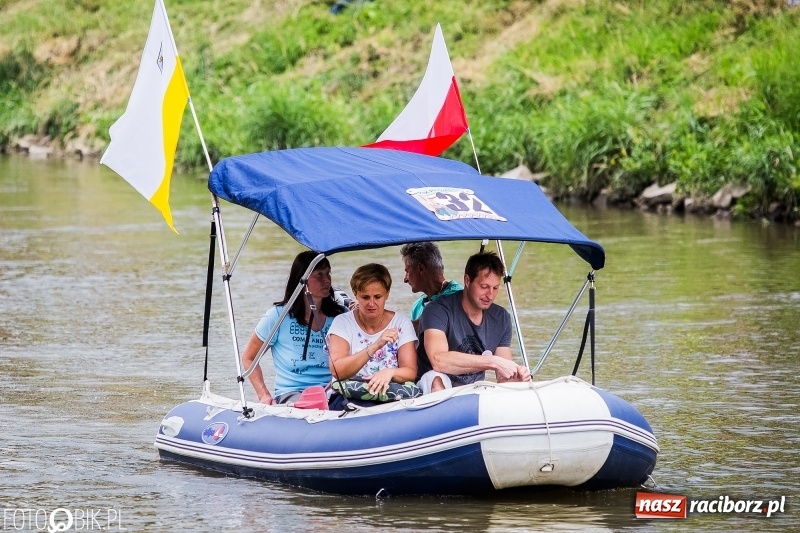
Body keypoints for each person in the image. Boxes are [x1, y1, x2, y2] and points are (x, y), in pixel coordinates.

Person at [416, 251, 531, 393]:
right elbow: (439, 361)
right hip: (432, 386)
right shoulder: (437, 310)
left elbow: (503, 376)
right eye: (484, 287)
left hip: (474, 390)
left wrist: (515, 378)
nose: (490, 295)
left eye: (495, 288)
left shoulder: (501, 318)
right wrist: (494, 362)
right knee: (436, 378)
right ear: (467, 280)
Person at [241, 250, 345, 405]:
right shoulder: (278, 316)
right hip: (292, 394)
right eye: (319, 275)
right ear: (302, 280)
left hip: (333, 390)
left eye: (328, 273)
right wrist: (263, 395)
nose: (327, 280)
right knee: (314, 405)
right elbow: (249, 358)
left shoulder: (341, 316)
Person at [327, 263, 418, 399]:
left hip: (390, 396)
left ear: (387, 294)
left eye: (377, 297)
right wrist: (376, 345)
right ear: (355, 294)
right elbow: (337, 371)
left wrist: (390, 372)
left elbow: (410, 371)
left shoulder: (402, 323)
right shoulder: (342, 322)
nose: (371, 303)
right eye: (365, 297)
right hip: (350, 396)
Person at [400, 242, 463, 332]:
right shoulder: (417, 306)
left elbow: (413, 329)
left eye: (407, 271)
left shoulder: (458, 298)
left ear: (421, 268)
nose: (405, 279)